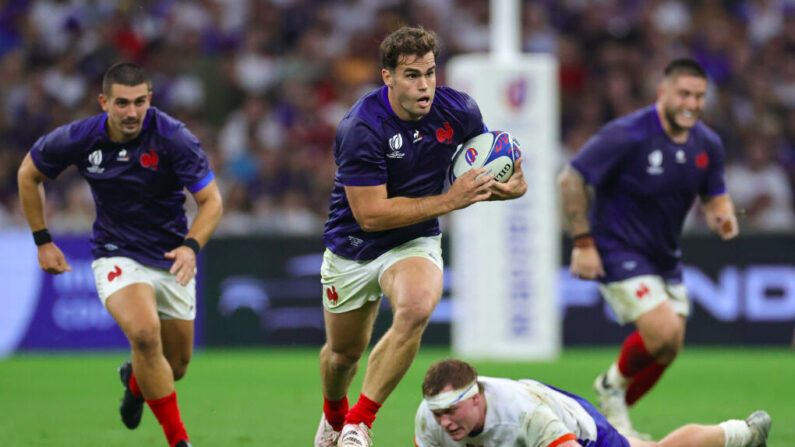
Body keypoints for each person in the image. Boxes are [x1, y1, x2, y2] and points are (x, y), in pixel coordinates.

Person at [315, 26, 527, 447]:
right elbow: (371, 215)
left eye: (430, 72)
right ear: (387, 77)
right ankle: (334, 416)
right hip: (354, 247)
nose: (425, 84)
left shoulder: (459, 110)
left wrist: (512, 183)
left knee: (416, 307)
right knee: (343, 355)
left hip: (413, 241)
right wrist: (451, 200)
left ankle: (359, 424)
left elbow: (492, 159)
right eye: (412, 75)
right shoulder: (362, 127)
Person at [17, 62, 223, 447]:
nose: (131, 112)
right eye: (122, 103)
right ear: (104, 102)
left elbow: (211, 202)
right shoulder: (81, 137)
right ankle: (180, 441)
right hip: (116, 253)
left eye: (140, 102)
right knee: (145, 335)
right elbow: (29, 174)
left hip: (171, 256)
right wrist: (42, 240)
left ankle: (134, 382)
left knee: (173, 367)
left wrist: (191, 247)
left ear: (150, 99)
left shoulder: (174, 138)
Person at [557, 58, 739, 437]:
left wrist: (722, 215)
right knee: (662, 331)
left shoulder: (708, 144)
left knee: (668, 348)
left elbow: (715, 195)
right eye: (684, 94)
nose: (691, 103)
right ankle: (611, 387)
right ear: (663, 93)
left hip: (665, 257)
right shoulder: (628, 134)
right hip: (616, 248)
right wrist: (583, 242)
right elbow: (571, 179)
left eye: (699, 96)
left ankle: (608, 416)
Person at [414, 358, 771, 447]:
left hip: (574, 428)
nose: (444, 422)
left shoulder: (525, 415)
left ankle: (742, 435)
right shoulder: (428, 418)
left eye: (452, 412)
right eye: (438, 413)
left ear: (476, 399)